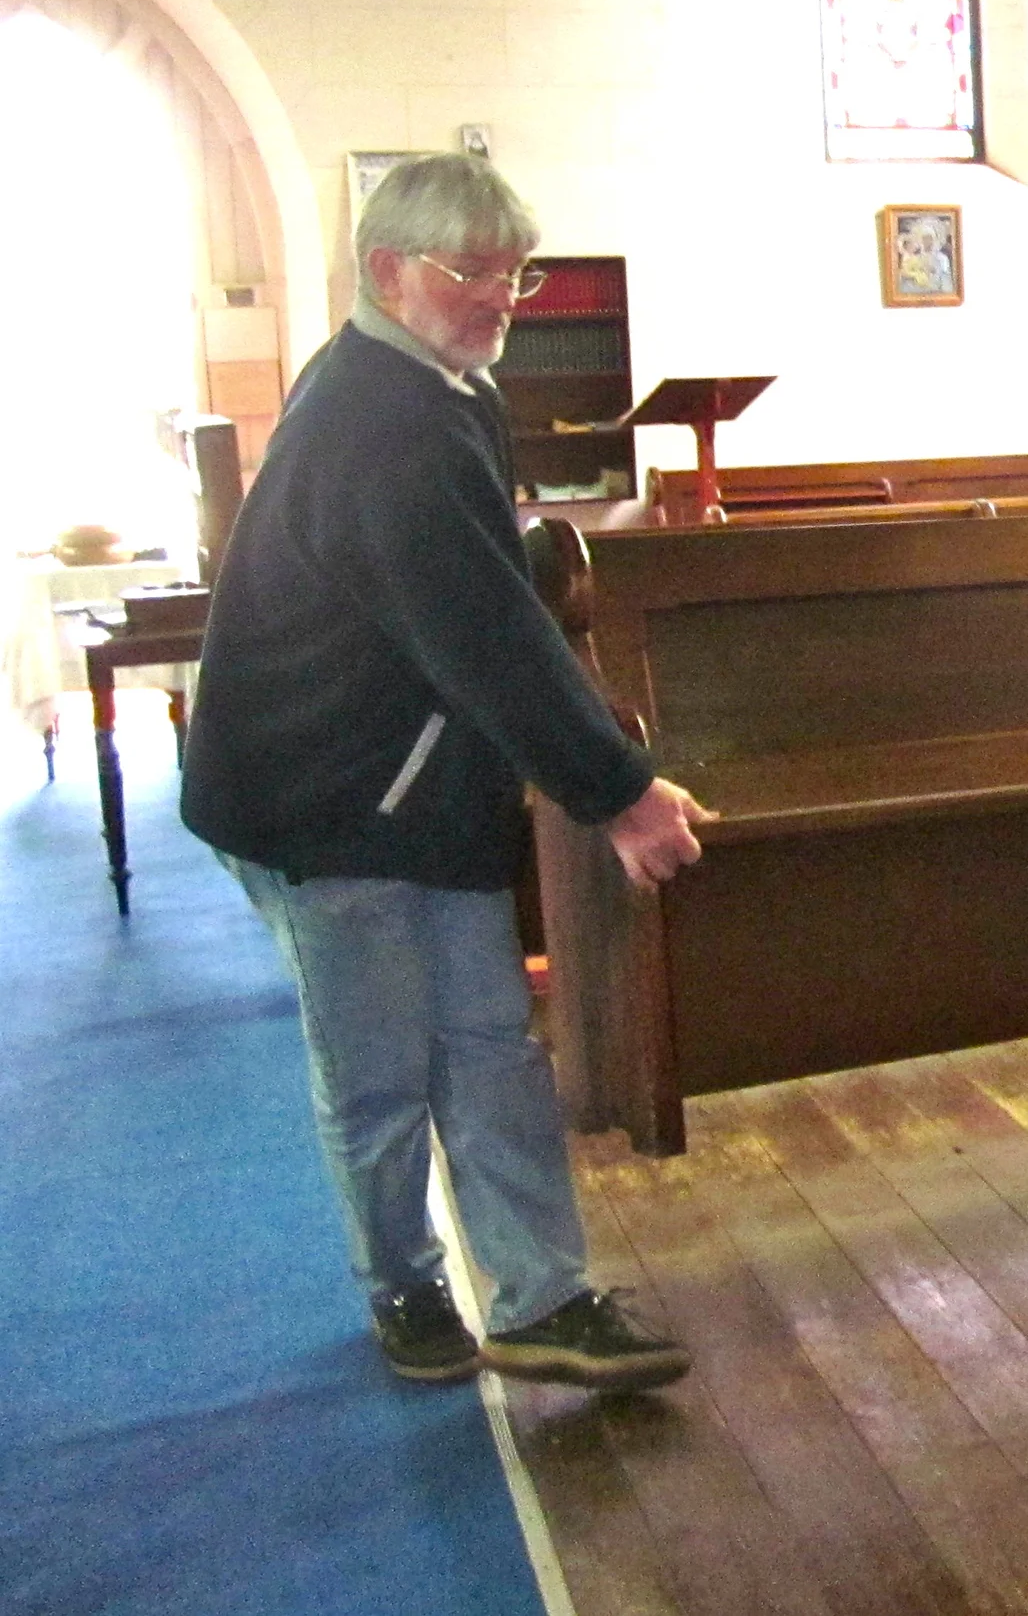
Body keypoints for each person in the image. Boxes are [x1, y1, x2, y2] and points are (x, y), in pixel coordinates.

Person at [181, 154, 715, 1390]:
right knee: (379, 1072)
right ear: (387, 271)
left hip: (421, 785)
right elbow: (480, 633)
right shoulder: (382, 419)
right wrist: (621, 792)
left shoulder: (443, 385)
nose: (499, 299)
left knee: (487, 1047)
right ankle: (405, 1286)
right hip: (317, 798)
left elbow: (487, 594)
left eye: (514, 274)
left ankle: (541, 1300)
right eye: (470, 271)